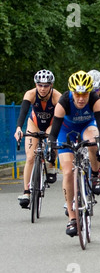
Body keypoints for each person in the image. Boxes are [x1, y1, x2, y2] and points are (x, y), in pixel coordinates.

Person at [47, 71, 100, 237]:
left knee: (93, 141)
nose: (81, 98)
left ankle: (95, 174)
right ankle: (72, 218)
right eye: (77, 94)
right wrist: (50, 146)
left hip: (87, 126)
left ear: (90, 92)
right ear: (71, 92)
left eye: (84, 94)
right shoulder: (64, 101)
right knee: (67, 172)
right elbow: (54, 131)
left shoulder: (95, 99)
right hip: (66, 131)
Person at [14, 69, 61, 208]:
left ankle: (51, 165)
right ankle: (26, 192)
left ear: (51, 85)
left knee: (51, 140)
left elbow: (60, 118)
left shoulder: (57, 96)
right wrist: (18, 129)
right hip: (34, 123)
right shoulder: (30, 94)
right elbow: (23, 112)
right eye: (40, 85)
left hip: (51, 124)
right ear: (36, 85)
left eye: (46, 85)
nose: (42, 88)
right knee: (29, 158)